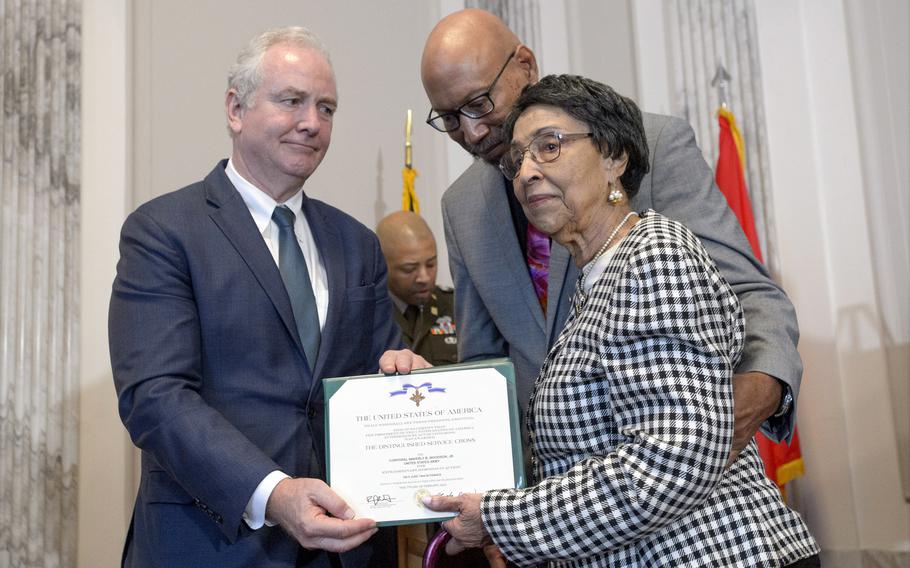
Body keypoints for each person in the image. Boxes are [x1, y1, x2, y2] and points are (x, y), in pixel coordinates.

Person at [423, 73, 820, 567]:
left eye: (549, 147)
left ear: (614, 157)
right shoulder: (596, 284)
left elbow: (670, 463)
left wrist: (501, 518)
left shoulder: (653, 255)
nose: (525, 172)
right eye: (517, 158)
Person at [420, 9, 802, 464]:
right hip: (553, 497)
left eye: (479, 103)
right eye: (448, 118)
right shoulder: (460, 206)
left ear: (525, 64)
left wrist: (754, 395)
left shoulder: (652, 144)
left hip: (673, 475)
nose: (472, 131)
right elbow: (484, 366)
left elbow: (749, 293)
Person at [109, 27, 427, 568]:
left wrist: (403, 380)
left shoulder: (358, 245)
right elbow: (155, 397)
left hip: (346, 548)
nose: (312, 122)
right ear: (236, 109)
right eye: (292, 101)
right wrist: (274, 493)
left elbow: (374, 379)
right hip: (212, 543)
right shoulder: (164, 231)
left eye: (326, 108)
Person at [376, 211, 458, 366]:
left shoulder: (456, 306)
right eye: (409, 269)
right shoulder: (371, 315)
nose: (424, 277)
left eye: (431, 264)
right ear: (382, 265)